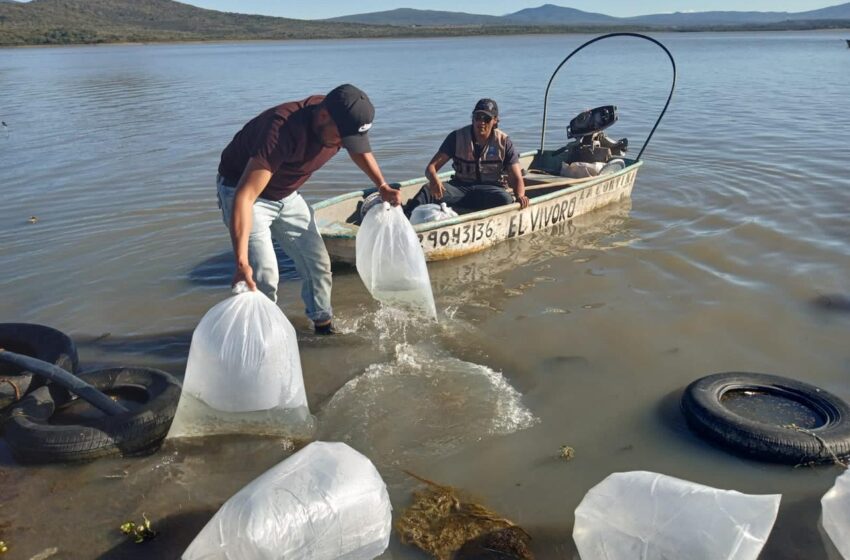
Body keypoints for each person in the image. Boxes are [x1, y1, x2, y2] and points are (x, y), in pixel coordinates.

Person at [217, 84, 400, 335]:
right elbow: (245, 196)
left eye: (349, 140)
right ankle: (261, 339)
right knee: (264, 275)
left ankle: (322, 327)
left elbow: (359, 151)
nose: (343, 144)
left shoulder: (342, 123)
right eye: (342, 138)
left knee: (318, 264)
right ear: (323, 116)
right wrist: (241, 263)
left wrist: (382, 185)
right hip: (247, 193)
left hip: (287, 193)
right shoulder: (282, 129)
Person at [404, 98, 528, 217]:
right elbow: (430, 168)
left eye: (487, 118)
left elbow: (516, 177)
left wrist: (520, 196)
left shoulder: (504, 142)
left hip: (489, 190)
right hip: (460, 188)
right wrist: (434, 178)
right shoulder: (456, 137)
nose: (481, 122)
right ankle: (407, 215)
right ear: (472, 119)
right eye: (477, 117)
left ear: (495, 120)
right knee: (427, 189)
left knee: (505, 199)